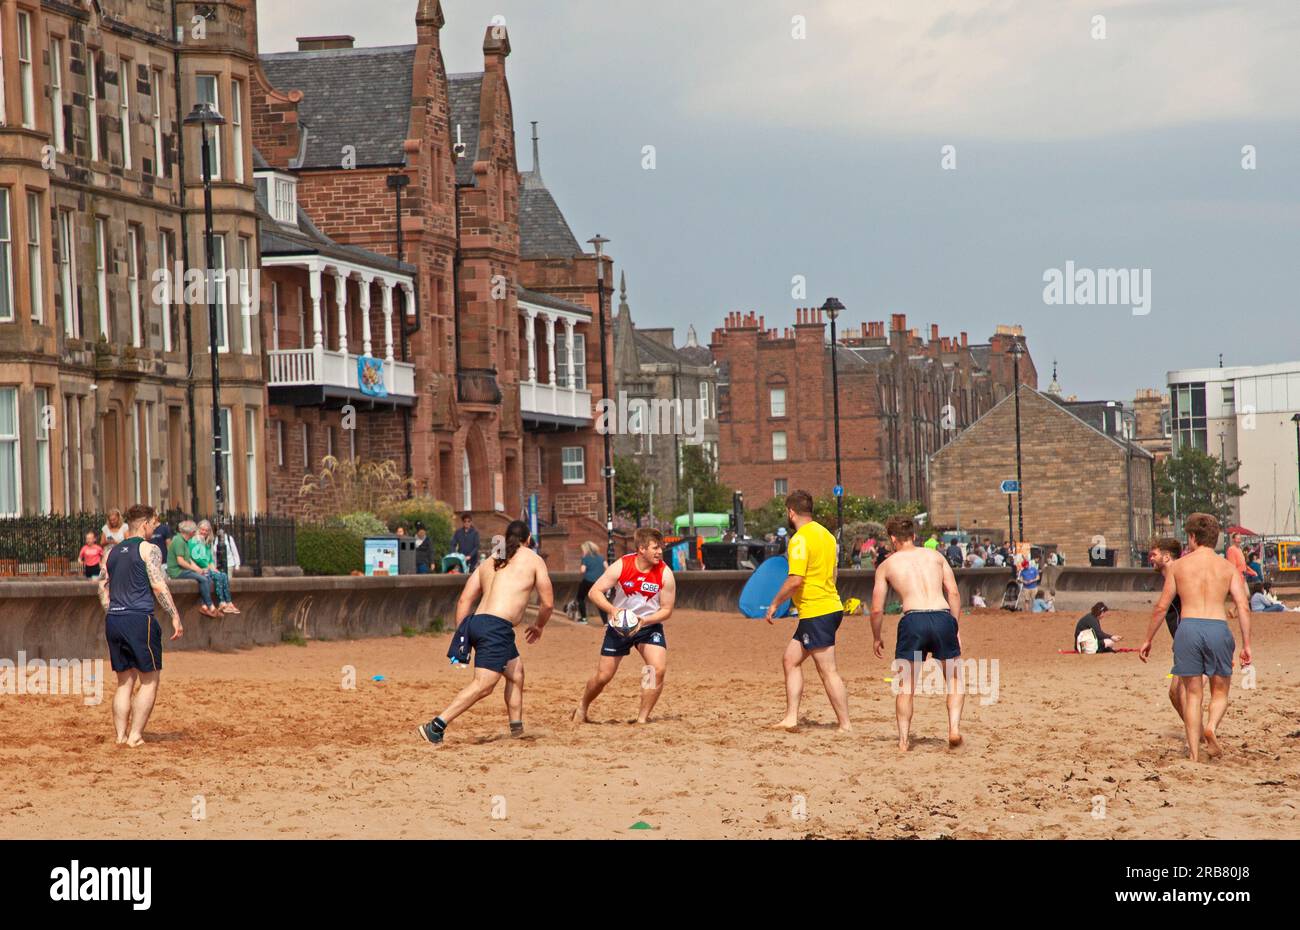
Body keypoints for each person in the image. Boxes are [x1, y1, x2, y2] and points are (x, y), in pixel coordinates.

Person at [417, 521, 553, 747]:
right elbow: (547, 604)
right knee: (484, 684)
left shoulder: (492, 559)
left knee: (516, 674)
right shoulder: (534, 559)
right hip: (496, 627)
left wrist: (462, 634)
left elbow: (465, 599)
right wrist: (539, 626)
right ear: (528, 539)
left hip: (479, 623)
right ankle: (436, 725)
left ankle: (516, 729)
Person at [1140, 513, 1253, 762]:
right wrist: (1246, 645)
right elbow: (1243, 607)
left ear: (1192, 537)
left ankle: (1193, 754)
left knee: (1192, 694)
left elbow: (1162, 606)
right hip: (1217, 627)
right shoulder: (1228, 568)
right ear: (1216, 538)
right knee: (1220, 692)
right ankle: (1211, 726)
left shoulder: (1178, 566)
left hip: (1188, 628)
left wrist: (1148, 639)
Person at [871, 514, 963, 750]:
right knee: (953, 679)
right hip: (942, 616)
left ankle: (903, 741)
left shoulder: (887, 565)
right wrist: (955, 626)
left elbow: (876, 610)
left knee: (906, 686)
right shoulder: (935, 556)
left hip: (913, 620)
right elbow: (953, 593)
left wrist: (876, 637)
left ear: (893, 539)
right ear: (913, 536)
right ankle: (953, 729)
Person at [764, 491, 850, 733]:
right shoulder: (827, 535)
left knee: (828, 670)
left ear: (791, 512)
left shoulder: (800, 539)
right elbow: (834, 574)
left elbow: (795, 580)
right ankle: (791, 717)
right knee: (790, 660)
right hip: (828, 607)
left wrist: (774, 603)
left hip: (817, 611)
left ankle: (845, 724)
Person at [97, 504, 183, 746]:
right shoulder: (149, 549)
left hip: (114, 618)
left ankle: (120, 735)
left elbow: (103, 586)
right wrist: (175, 615)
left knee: (124, 681)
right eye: (154, 524)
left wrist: (112, 610)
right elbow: (158, 585)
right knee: (149, 679)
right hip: (139, 619)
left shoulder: (111, 552)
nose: (154, 529)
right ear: (144, 524)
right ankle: (134, 735)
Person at [574, 527, 677, 725]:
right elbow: (594, 592)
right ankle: (583, 706)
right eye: (655, 548)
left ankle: (642, 718)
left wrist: (644, 621)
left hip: (648, 625)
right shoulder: (622, 565)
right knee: (604, 676)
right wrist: (613, 611)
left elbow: (667, 610)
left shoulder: (665, 574)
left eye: (660, 548)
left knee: (655, 669)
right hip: (619, 625)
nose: (659, 552)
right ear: (641, 549)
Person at [1148, 537, 1190, 723]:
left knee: (1182, 692)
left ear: (1166, 557)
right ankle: (1198, 732)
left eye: (1154, 554)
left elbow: (1160, 609)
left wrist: (1147, 640)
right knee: (1175, 693)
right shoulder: (1171, 579)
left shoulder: (1181, 576)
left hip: (1191, 641)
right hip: (1182, 644)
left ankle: (1199, 733)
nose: (1151, 558)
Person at [166, 521, 220, 618]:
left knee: (205, 576)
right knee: (203, 579)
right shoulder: (178, 540)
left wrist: (199, 569)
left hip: (183, 570)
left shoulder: (184, 541)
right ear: (189, 532)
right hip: (177, 572)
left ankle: (205, 606)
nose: (196, 533)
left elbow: (189, 560)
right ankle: (211, 606)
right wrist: (196, 570)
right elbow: (181, 561)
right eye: (194, 531)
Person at [190, 520, 239, 615]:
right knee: (216, 576)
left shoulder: (207, 543)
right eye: (202, 530)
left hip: (207, 568)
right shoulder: (193, 541)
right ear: (198, 529)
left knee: (223, 575)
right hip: (199, 570)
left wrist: (214, 568)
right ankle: (221, 603)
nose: (204, 532)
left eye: (206, 530)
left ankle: (227, 602)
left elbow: (210, 560)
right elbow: (197, 559)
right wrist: (209, 568)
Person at [574, 541, 606, 625]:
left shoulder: (586, 558)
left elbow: (582, 570)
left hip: (588, 581)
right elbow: (607, 567)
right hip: (599, 582)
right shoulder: (601, 557)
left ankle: (584, 618)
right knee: (601, 600)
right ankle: (605, 621)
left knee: (580, 598)